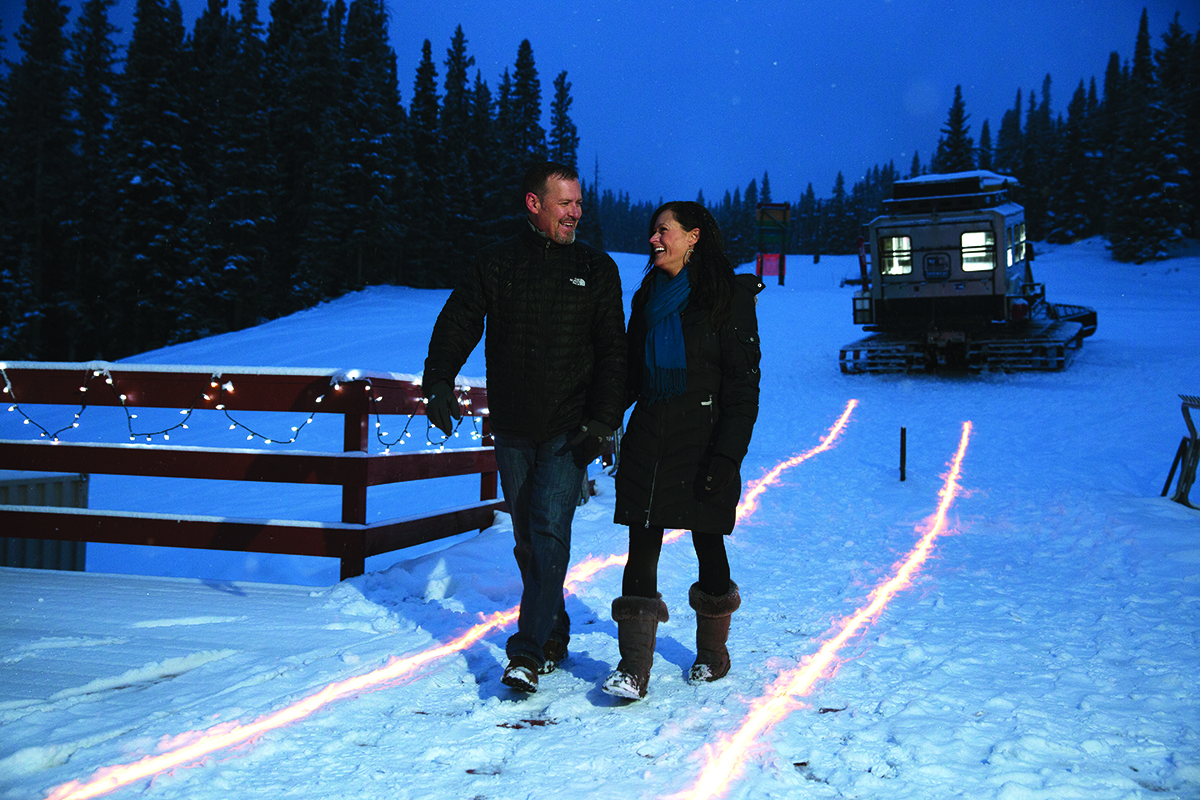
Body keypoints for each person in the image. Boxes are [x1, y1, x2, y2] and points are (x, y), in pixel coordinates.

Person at [422, 162, 626, 693]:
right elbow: (460, 318)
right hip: (513, 425)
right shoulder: (498, 264)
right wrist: (439, 379)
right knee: (527, 538)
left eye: (579, 203)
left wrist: (603, 420)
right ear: (535, 204)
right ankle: (553, 628)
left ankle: (527, 651)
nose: (576, 213)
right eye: (565, 203)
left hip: (570, 427)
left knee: (551, 530)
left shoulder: (597, 268)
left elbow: (612, 351)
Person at [603, 200, 762, 700]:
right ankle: (634, 668)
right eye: (653, 231)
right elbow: (630, 371)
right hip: (651, 431)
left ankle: (714, 652)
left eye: (663, 230)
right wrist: (598, 419)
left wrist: (726, 456)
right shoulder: (649, 293)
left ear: (693, 237)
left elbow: (744, 387)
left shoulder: (727, 296)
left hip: (706, 438)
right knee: (641, 544)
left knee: (707, 542)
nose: (654, 238)